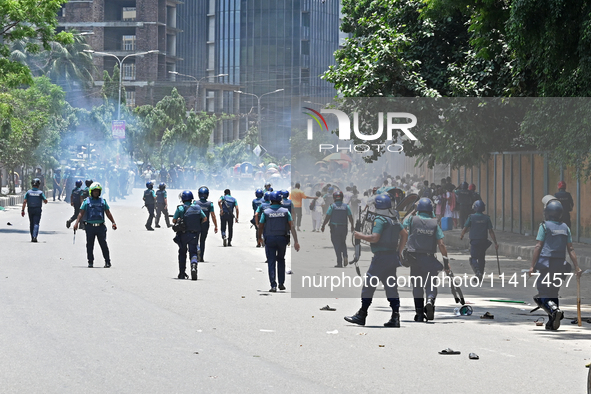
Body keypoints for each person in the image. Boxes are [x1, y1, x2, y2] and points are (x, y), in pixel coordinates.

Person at [345, 194, 408, 327]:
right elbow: (404, 234)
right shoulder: (394, 219)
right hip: (392, 257)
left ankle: (362, 314)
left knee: (369, 285)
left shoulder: (379, 220)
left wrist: (358, 235)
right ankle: (395, 317)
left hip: (381, 258)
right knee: (391, 286)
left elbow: (375, 238)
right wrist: (399, 252)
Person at [528, 200, 582, 330]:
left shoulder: (544, 226)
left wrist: (532, 266)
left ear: (548, 213)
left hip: (547, 263)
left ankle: (553, 311)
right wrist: (577, 267)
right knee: (553, 292)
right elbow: (571, 249)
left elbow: (538, 246)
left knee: (542, 292)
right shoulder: (565, 227)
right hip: (560, 265)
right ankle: (552, 322)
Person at [403, 197, 449, 322]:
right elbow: (441, 244)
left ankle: (419, 313)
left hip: (414, 258)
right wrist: (446, 263)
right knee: (431, 284)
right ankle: (430, 300)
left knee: (417, 286)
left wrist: (413, 211)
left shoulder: (412, 219)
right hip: (429, 259)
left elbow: (403, 224)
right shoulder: (434, 223)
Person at [258, 191, 300, 292]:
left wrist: (259, 238)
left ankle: (273, 285)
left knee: (271, 261)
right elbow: (292, 226)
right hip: (282, 239)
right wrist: (296, 241)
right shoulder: (285, 212)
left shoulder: (266, 212)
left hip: (270, 240)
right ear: (280, 200)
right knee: (281, 259)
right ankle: (281, 283)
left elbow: (261, 226)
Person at [73, 183, 117, 268]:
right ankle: (90, 262)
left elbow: (108, 213)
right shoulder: (87, 201)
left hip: (101, 227)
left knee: (103, 244)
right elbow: (81, 213)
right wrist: (76, 223)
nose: (96, 193)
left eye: (98, 191)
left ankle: (107, 261)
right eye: (95, 191)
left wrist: (113, 222)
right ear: (91, 192)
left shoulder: (103, 201)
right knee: (89, 245)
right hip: (90, 227)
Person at [459, 200, 498, 281]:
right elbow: (491, 231)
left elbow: (465, 228)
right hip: (483, 241)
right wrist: (495, 243)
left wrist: (462, 235)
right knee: (481, 258)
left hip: (474, 241)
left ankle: (477, 272)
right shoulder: (486, 218)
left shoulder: (471, 217)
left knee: (473, 258)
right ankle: (480, 275)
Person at [173, 190, 206, 280]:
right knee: (193, 252)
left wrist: (180, 219)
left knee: (182, 253)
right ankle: (194, 266)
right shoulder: (197, 208)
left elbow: (174, 220)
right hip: (194, 234)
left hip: (183, 235)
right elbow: (205, 218)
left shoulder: (180, 208)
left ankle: (182, 273)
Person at [321, 190, 354, 268]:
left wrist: (323, 226)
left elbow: (327, 216)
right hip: (344, 228)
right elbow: (350, 217)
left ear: (334, 198)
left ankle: (339, 262)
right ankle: (345, 255)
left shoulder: (332, 206)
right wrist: (352, 226)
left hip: (335, 228)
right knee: (343, 242)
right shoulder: (346, 206)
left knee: (336, 244)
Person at [194, 186, 218, 262]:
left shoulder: (195, 203)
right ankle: (201, 257)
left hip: (196, 224)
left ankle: (197, 249)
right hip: (205, 224)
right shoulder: (210, 204)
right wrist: (216, 225)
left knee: (195, 240)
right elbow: (213, 215)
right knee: (202, 240)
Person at [21, 178, 48, 242]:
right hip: (37, 209)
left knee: (31, 223)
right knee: (36, 223)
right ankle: (35, 236)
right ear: (39, 185)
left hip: (30, 209)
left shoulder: (28, 192)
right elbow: (45, 201)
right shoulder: (40, 192)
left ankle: (32, 237)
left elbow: (24, 202)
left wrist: (22, 210)